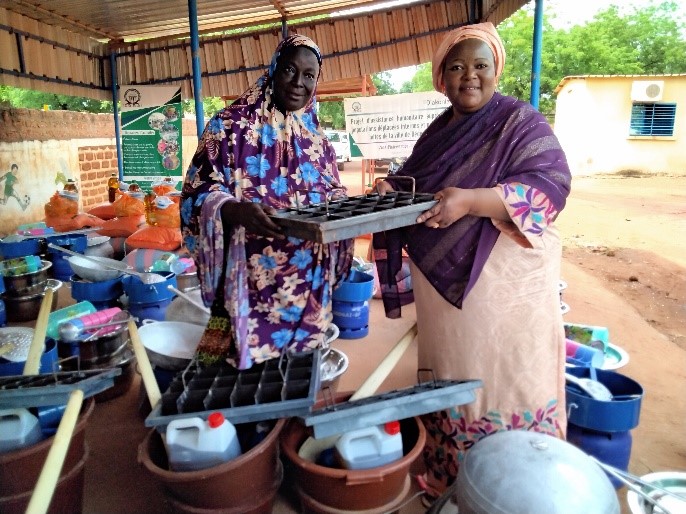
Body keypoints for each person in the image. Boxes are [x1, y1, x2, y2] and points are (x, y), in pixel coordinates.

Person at [373, 22, 572, 501]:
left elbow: (551, 185)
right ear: (441, 76)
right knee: (451, 373)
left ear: (496, 69)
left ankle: (519, 485)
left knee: (504, 375)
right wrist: (392, 189)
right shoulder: (439, 130)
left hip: (502, 286)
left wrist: (474, 201)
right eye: (457, 66)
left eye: (480, 65)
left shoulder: (519, 121)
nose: (469, 76)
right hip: (444, 296)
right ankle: (455, 479)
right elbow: (419, 181)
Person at [181, 34, 353, 370]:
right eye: (290, 69)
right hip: (249, 275)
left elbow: (334, 191)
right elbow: (195, 193)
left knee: (298, 367)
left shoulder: (316, 137)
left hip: (307, 280)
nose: (298, 83)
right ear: (273, 69)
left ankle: (288, 415)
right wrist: (232, 209)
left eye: (309, 75)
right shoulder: (229, 126)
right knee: (240, 367)